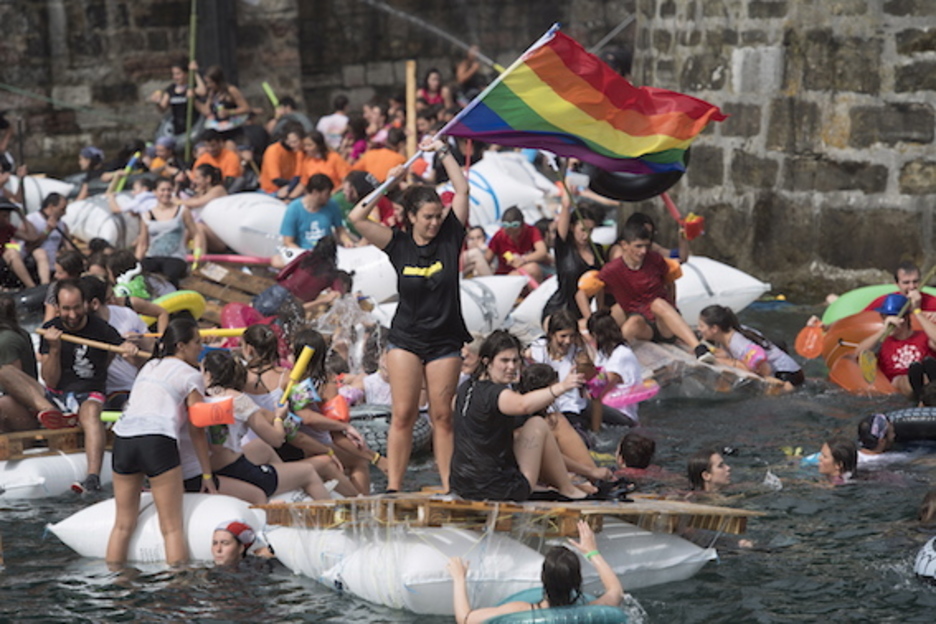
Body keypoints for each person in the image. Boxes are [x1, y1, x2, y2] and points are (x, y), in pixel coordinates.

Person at [349, 137, 470, 493]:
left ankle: (449, 487)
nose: (435, 222)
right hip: (406, 339)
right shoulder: (397, 243)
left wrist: (442, 150)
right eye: (428, 217)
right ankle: (394, 488)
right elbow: (356, 216)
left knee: (442, 416)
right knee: (402, 415)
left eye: (438, 216)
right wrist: (389, 182)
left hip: (446, 340)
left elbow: (461, 189)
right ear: (412, 217)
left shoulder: (451, 237)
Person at [105, 317, 216, 566]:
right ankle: (177, 591)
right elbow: (197, 429)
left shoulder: (150, 366)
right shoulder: (191, 375)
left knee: (122, 525)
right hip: (156, 440)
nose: (201, 348)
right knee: (172, 529)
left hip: (123, 438)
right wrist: (207, 476)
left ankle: (115, 588)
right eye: (197, 342)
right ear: (181, 345)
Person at [451, 330, 589, 501]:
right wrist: (563, 387)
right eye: (504, 360)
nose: (511, 367)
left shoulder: (465, 390)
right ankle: (568, 489)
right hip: (498, 490)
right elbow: (522, 405)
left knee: (521, 432)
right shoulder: (497, 394)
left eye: (515, 360)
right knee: (537, 423)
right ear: (487, 361)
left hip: (461, 485)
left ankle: (574, 483)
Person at [39, 279, 139, 492]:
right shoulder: (49, 329)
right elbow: (50, 380)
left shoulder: (102, 329)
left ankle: (92, 477)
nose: (73, 315)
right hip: (55, 394)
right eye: (66, 309)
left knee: (91, 410)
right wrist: (54, 349)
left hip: (89, 393)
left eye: (77, 307)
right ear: (57, 307)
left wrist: (130, 349)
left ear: (85, 304)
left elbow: (127, 352)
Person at [201, 349, 333, 502]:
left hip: (212, 466)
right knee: (308, 471)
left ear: (209, 375)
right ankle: (330, 517)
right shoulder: (238, 400)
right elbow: (277, 439)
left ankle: (290, 492)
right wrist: (278, 417)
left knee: (261, 447)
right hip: (235, 469)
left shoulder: (200, 397)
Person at [584, 221, 714, 362]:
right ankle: (609, 356)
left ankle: (698, 348)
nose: (643, 251)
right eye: (638, 246)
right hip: (643, 326)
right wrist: (598, 311)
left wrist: (673, 307)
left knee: (658, 303)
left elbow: (670, 283)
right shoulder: (612, 270)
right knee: (633, 321)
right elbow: (592, 289)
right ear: (624, 245)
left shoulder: (655, 259)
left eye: (646, 246)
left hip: (663, 323)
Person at [448, 520, 624, 622]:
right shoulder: (591, 611)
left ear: (543, 578)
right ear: (577, 581)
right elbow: (615, 591)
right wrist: (592, 552)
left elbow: (465, 619)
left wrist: (459, 578)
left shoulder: (522, 609)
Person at [697, 304, 804, 389]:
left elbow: (763, 366)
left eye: (701, 326)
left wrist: (721, 361)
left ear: (714, 329)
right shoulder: (727, 336)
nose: (698, 329)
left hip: (787, 375)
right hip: (790, 370)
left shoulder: (737, 343)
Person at [0, 295, 65, 431]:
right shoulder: (18, 332)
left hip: (23, 410)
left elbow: (12, 387)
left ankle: (52, 415)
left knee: (4, 399)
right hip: (30, 403)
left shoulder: (6, 341)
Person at [856, 293, 936, 400]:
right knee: (901, 379)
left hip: (927, 379)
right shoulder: (882, 342)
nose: (886, 321)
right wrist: (883, 331)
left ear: (905, 318)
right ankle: (919, 396)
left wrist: (917, 312)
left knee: (926, 368)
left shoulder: (923, 336)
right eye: (884, 317)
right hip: (900, 387)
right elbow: (858, 355)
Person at [542, 191, 603, 323]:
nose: (586, 236)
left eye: (590, 231)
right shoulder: (564, 248)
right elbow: (565, 210)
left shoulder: (597, 251)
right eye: (582, 230)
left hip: (584, 313)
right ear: (572, 227)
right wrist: (566, 203)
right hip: (559, 310)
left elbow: (600, 288)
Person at [526, 309, 591, 432]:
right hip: (543, 407)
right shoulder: (538, 349)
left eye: (572, 336)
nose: (568, 341)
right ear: (551, 334)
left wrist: (585, 365)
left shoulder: (578, 354)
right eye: (563, 336)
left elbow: (594, 381)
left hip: (570, 410)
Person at [273, 173, 348, 268]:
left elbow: (340, 230)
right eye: (327, 194)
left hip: (327, 253)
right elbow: (288, 241)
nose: (329, 197)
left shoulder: (332, 206)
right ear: (315, 192)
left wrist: (346, 241)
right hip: (304, 252)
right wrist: (305, 255)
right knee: (276, 260)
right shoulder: (294, 209)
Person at [135, 178, 199, 288]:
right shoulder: (147, 214)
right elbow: (142, 243)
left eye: (169, 190)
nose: (166, 193)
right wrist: (135, 264)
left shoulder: (182, 210)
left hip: (175, 257)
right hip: (153, 256)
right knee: (142, 274)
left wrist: (197, 254)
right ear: (155, 192)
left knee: (170, 274)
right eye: (162, 190)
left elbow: (196, 233)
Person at [587, 310, 645, 426]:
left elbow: (601, 385)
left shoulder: (621, 355)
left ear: (595, 335)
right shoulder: (603, 353)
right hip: (608, 409)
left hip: (623, 415)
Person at [486, 206, 551, 283]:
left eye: (516, 233)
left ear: (523, 226)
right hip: (506, 276)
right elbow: (487, 260)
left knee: (533, 268)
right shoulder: (499, 236)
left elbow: (542, 252)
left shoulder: (532, 231)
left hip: (528, 273)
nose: (512, 236)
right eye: (508, 233)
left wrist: (523, 259)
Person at [150, 58, 207, 137]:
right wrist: (157, 102)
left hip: (193, 129)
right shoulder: (171, 89)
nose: (175, 77)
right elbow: (162, 108)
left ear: (186, 74)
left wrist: (195, 72)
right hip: (178, 130)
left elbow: (203, 91)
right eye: (173, 74)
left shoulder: (191, 87)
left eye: (178, 74)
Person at [23, 192, 70, 285]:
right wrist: (48, 231)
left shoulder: (62, 225)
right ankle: (45, 285)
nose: (65, 213)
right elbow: (29, 246)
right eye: (62, 209)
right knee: (41, 253)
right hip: (34, 262)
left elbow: (69, 247)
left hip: (55, 266)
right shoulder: (31, 220)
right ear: (51, 207)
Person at [864, 261, 936, 319]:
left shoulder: (932, 301)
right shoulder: (886, 301)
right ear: (897, 284)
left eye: (915, 281)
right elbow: (860, 319)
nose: (912, 286)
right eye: (906, 282)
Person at [195, 65, 251, 137]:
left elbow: (246, 108)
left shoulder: (231, 90)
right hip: (218, 129)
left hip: (233, 129)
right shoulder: (212, 92)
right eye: (206, 82)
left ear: (218, 81)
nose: (208, 85)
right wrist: (194, 99)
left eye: (210, 82)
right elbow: (207, 111)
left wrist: (229, 112)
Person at [0, 198, 39, 288]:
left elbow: (31, 237)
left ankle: (31, 287)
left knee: (12, 252)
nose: (8, 219)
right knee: (11, 251)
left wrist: (22, 216)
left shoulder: (8, 228)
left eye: (9, 216)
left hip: (2, 263)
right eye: (4, 216)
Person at [259, 121, 305, 196]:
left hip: (292, 187)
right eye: (291, 142)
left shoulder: (299, 151)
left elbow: (298, 175)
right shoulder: (273, 150)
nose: (293, 145)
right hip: (271, 191)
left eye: (296, 142)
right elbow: (276, 180)